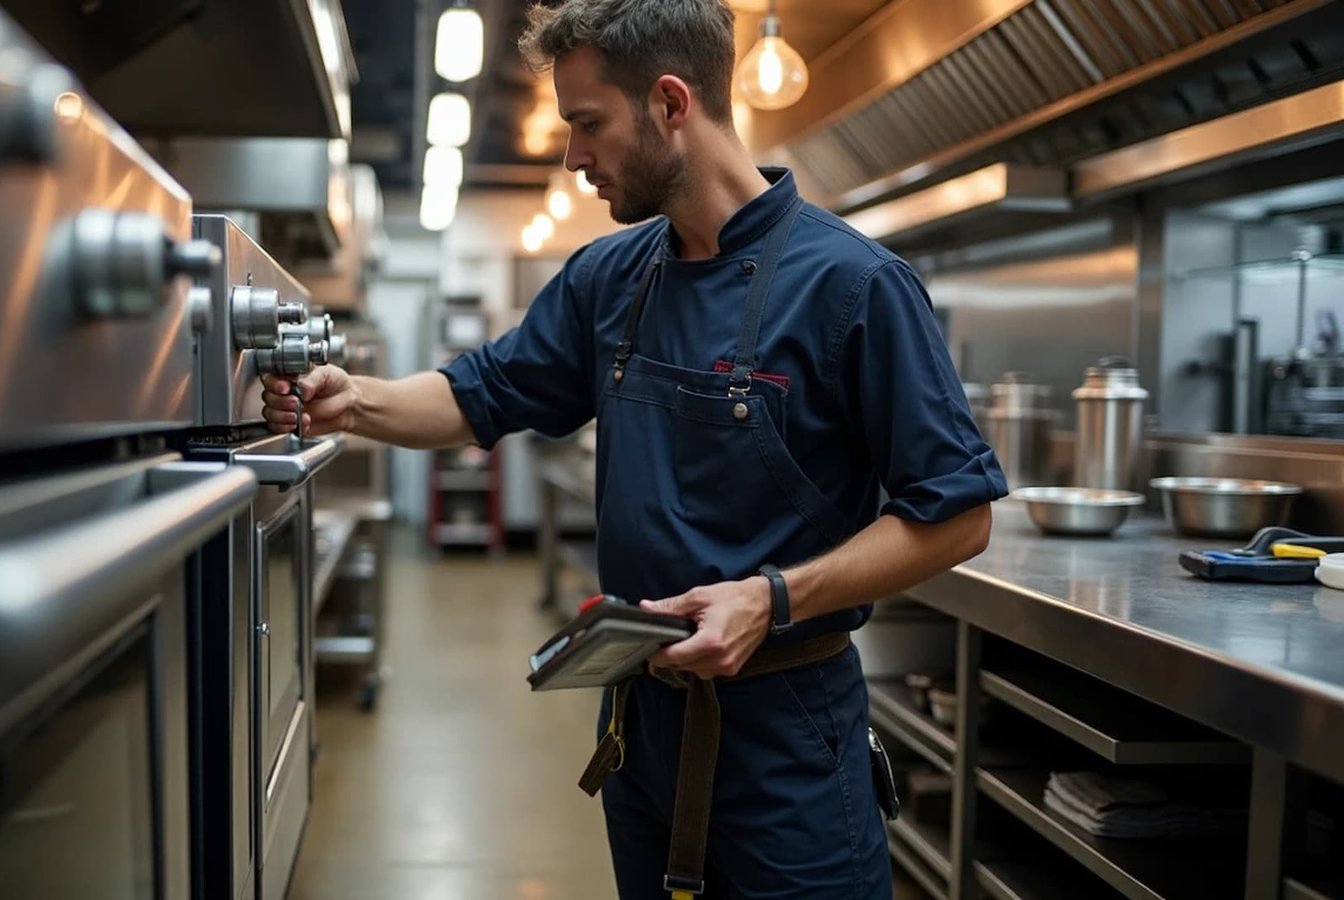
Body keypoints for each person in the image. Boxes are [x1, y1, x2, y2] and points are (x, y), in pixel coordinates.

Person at [262, 0, 1007, 895]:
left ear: (668, 103)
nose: (574, 157)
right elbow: (479, 393)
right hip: (641, 726)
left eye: (586, 124)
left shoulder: (853, 286)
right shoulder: (608, 277)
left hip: (787, 741)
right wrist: (355, 401)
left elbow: (958, 515)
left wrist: (772, 600)